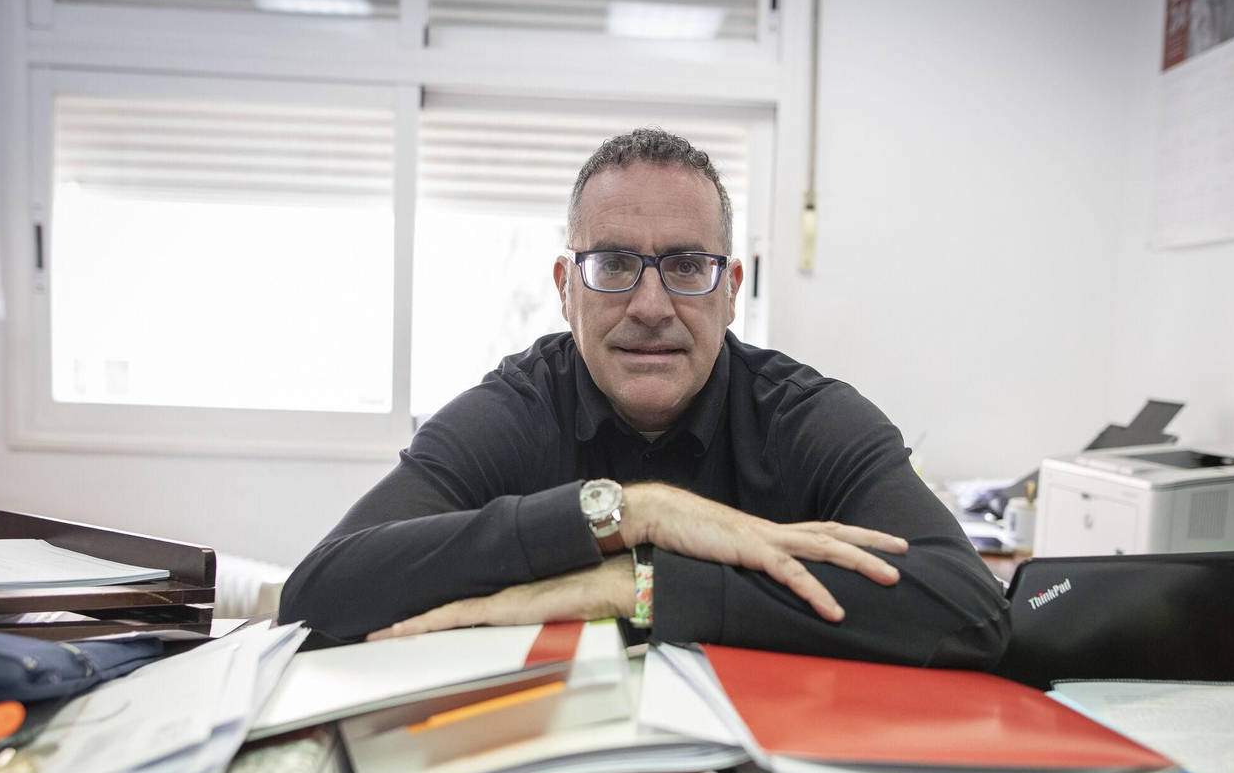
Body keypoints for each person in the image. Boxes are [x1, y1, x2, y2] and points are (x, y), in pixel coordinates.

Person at [280, 128, 1006, 667]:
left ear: (730, 291)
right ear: (566, 289)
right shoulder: (516, 407)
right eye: (614, 264)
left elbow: (972, 612)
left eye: (687, 266)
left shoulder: (803, 416)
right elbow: (317, 595)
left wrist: (639, 586)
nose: (652, 306)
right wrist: (632, 513)